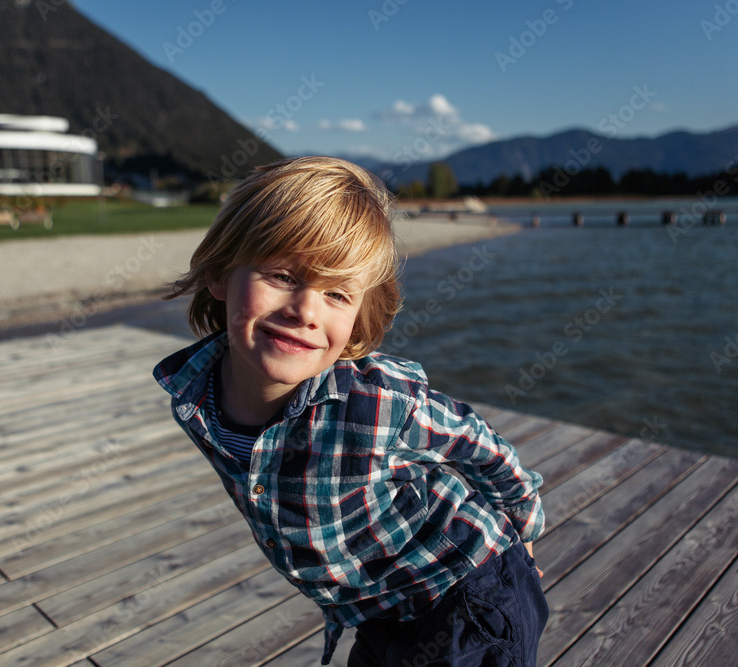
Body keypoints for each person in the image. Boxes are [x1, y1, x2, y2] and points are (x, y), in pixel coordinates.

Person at [153, 156, 548, 666]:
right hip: (378, 611)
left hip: (467, 599)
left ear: (359, 316)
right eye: (281, 275)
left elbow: (484, 447)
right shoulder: (195, 397)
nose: (305, 311)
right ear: (219, 273)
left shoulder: (377, 401)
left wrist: (523, 537)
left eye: (336, 293)